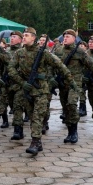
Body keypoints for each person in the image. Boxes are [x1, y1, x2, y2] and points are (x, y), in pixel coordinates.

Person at [8, 27, 76, 155]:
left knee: (38, 115)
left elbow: (60, 65)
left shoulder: (43, 53)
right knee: (32, 116)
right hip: (27, 89)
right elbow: (11, 69)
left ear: (34, 38)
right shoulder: (19, 53)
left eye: (27, 35)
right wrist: (21, 82)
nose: (24, 37)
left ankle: (34, 142)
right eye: (23, 35)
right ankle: (38, 142)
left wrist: (71, 81)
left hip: (41, 90)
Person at [53, 29, 93, 141]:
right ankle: (69, 132)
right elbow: (51, 66)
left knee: (71, 104)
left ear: (74, 39)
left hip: (75, 84)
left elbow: (92, 66)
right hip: (62, 84)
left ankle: (74, 132)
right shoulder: (58, 50)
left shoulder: (80, 52)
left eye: (68, 36)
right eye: (64, 36)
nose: (65, 38)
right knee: (65, 108)